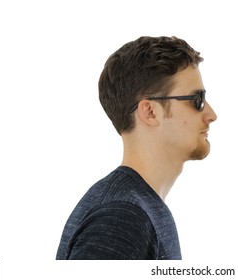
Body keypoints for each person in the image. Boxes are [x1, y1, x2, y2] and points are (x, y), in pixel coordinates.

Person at [56, 36, 217, 260]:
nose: (211, 115)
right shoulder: (122, 218)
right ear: (150, 111)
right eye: (197, 99)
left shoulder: (138, 209)